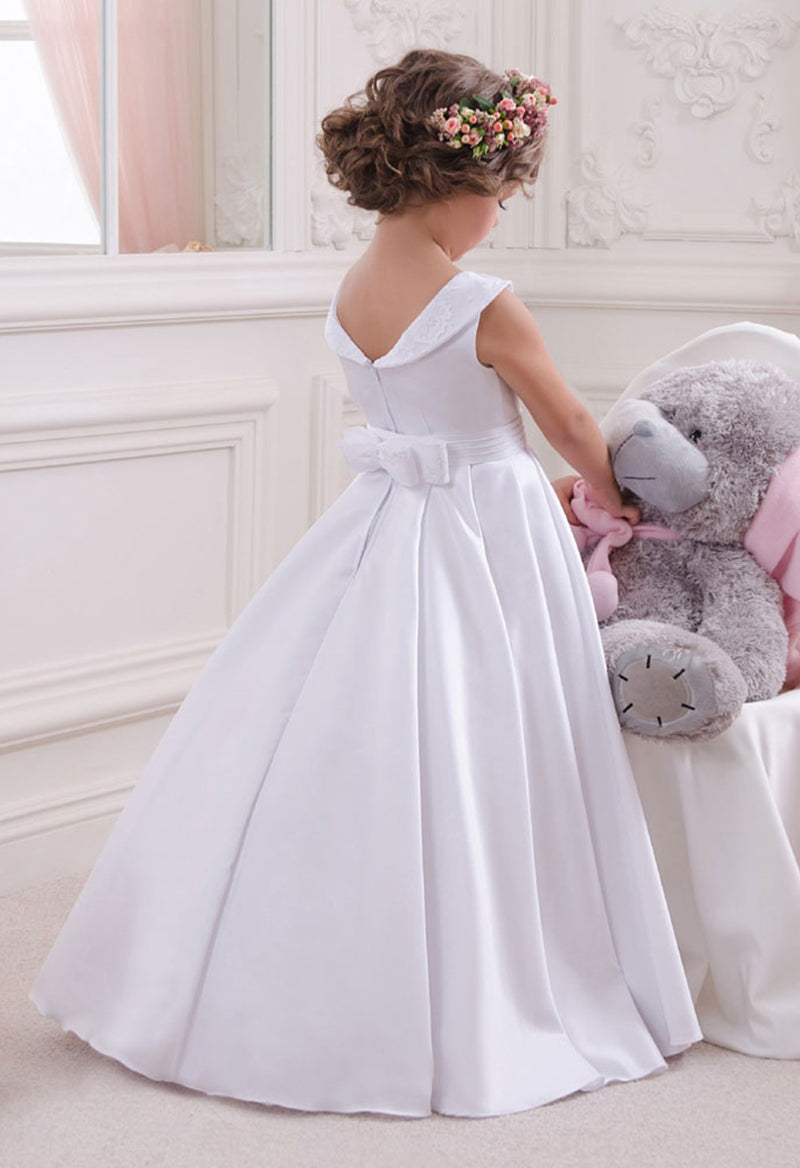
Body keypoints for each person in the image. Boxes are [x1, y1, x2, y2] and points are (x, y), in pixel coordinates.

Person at [28, 48, 701, 1119]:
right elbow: (569, 420)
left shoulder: (351, 291)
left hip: (387, 526)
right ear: (458, 181)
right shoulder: (483, 301)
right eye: (499, 196)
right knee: (497, 725)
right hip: (485, 532)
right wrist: (613, 489)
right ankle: (503, 958)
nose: (499, 219)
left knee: (359, 727)